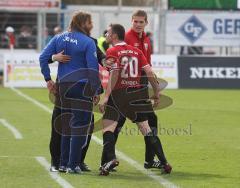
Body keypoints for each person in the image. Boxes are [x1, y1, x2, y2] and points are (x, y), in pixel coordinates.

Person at [99, 23, 172, 176]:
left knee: (108, 128)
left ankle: (110, 159)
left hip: (119, 94)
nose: (106, 35)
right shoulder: (136, 51)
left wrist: (106, 96)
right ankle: (164, 162)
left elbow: (115, 73)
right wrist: (157, 91)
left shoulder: (113, 51)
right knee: (146, 130)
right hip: (137, 94)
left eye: (108, 33)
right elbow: (149, 72)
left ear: (114, 36)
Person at [39, 11, 101, 174]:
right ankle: (73, 165)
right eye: (90, 21)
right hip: (81, 87)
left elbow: (42, 57)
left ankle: (64, 163)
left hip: (63, 86)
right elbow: (92, 68)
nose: (92, 24)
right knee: (80, 127)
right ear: (82, 23)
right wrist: (95, 90)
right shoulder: (88, 42)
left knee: (65, 126)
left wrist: (48, 78)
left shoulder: (59, 38)